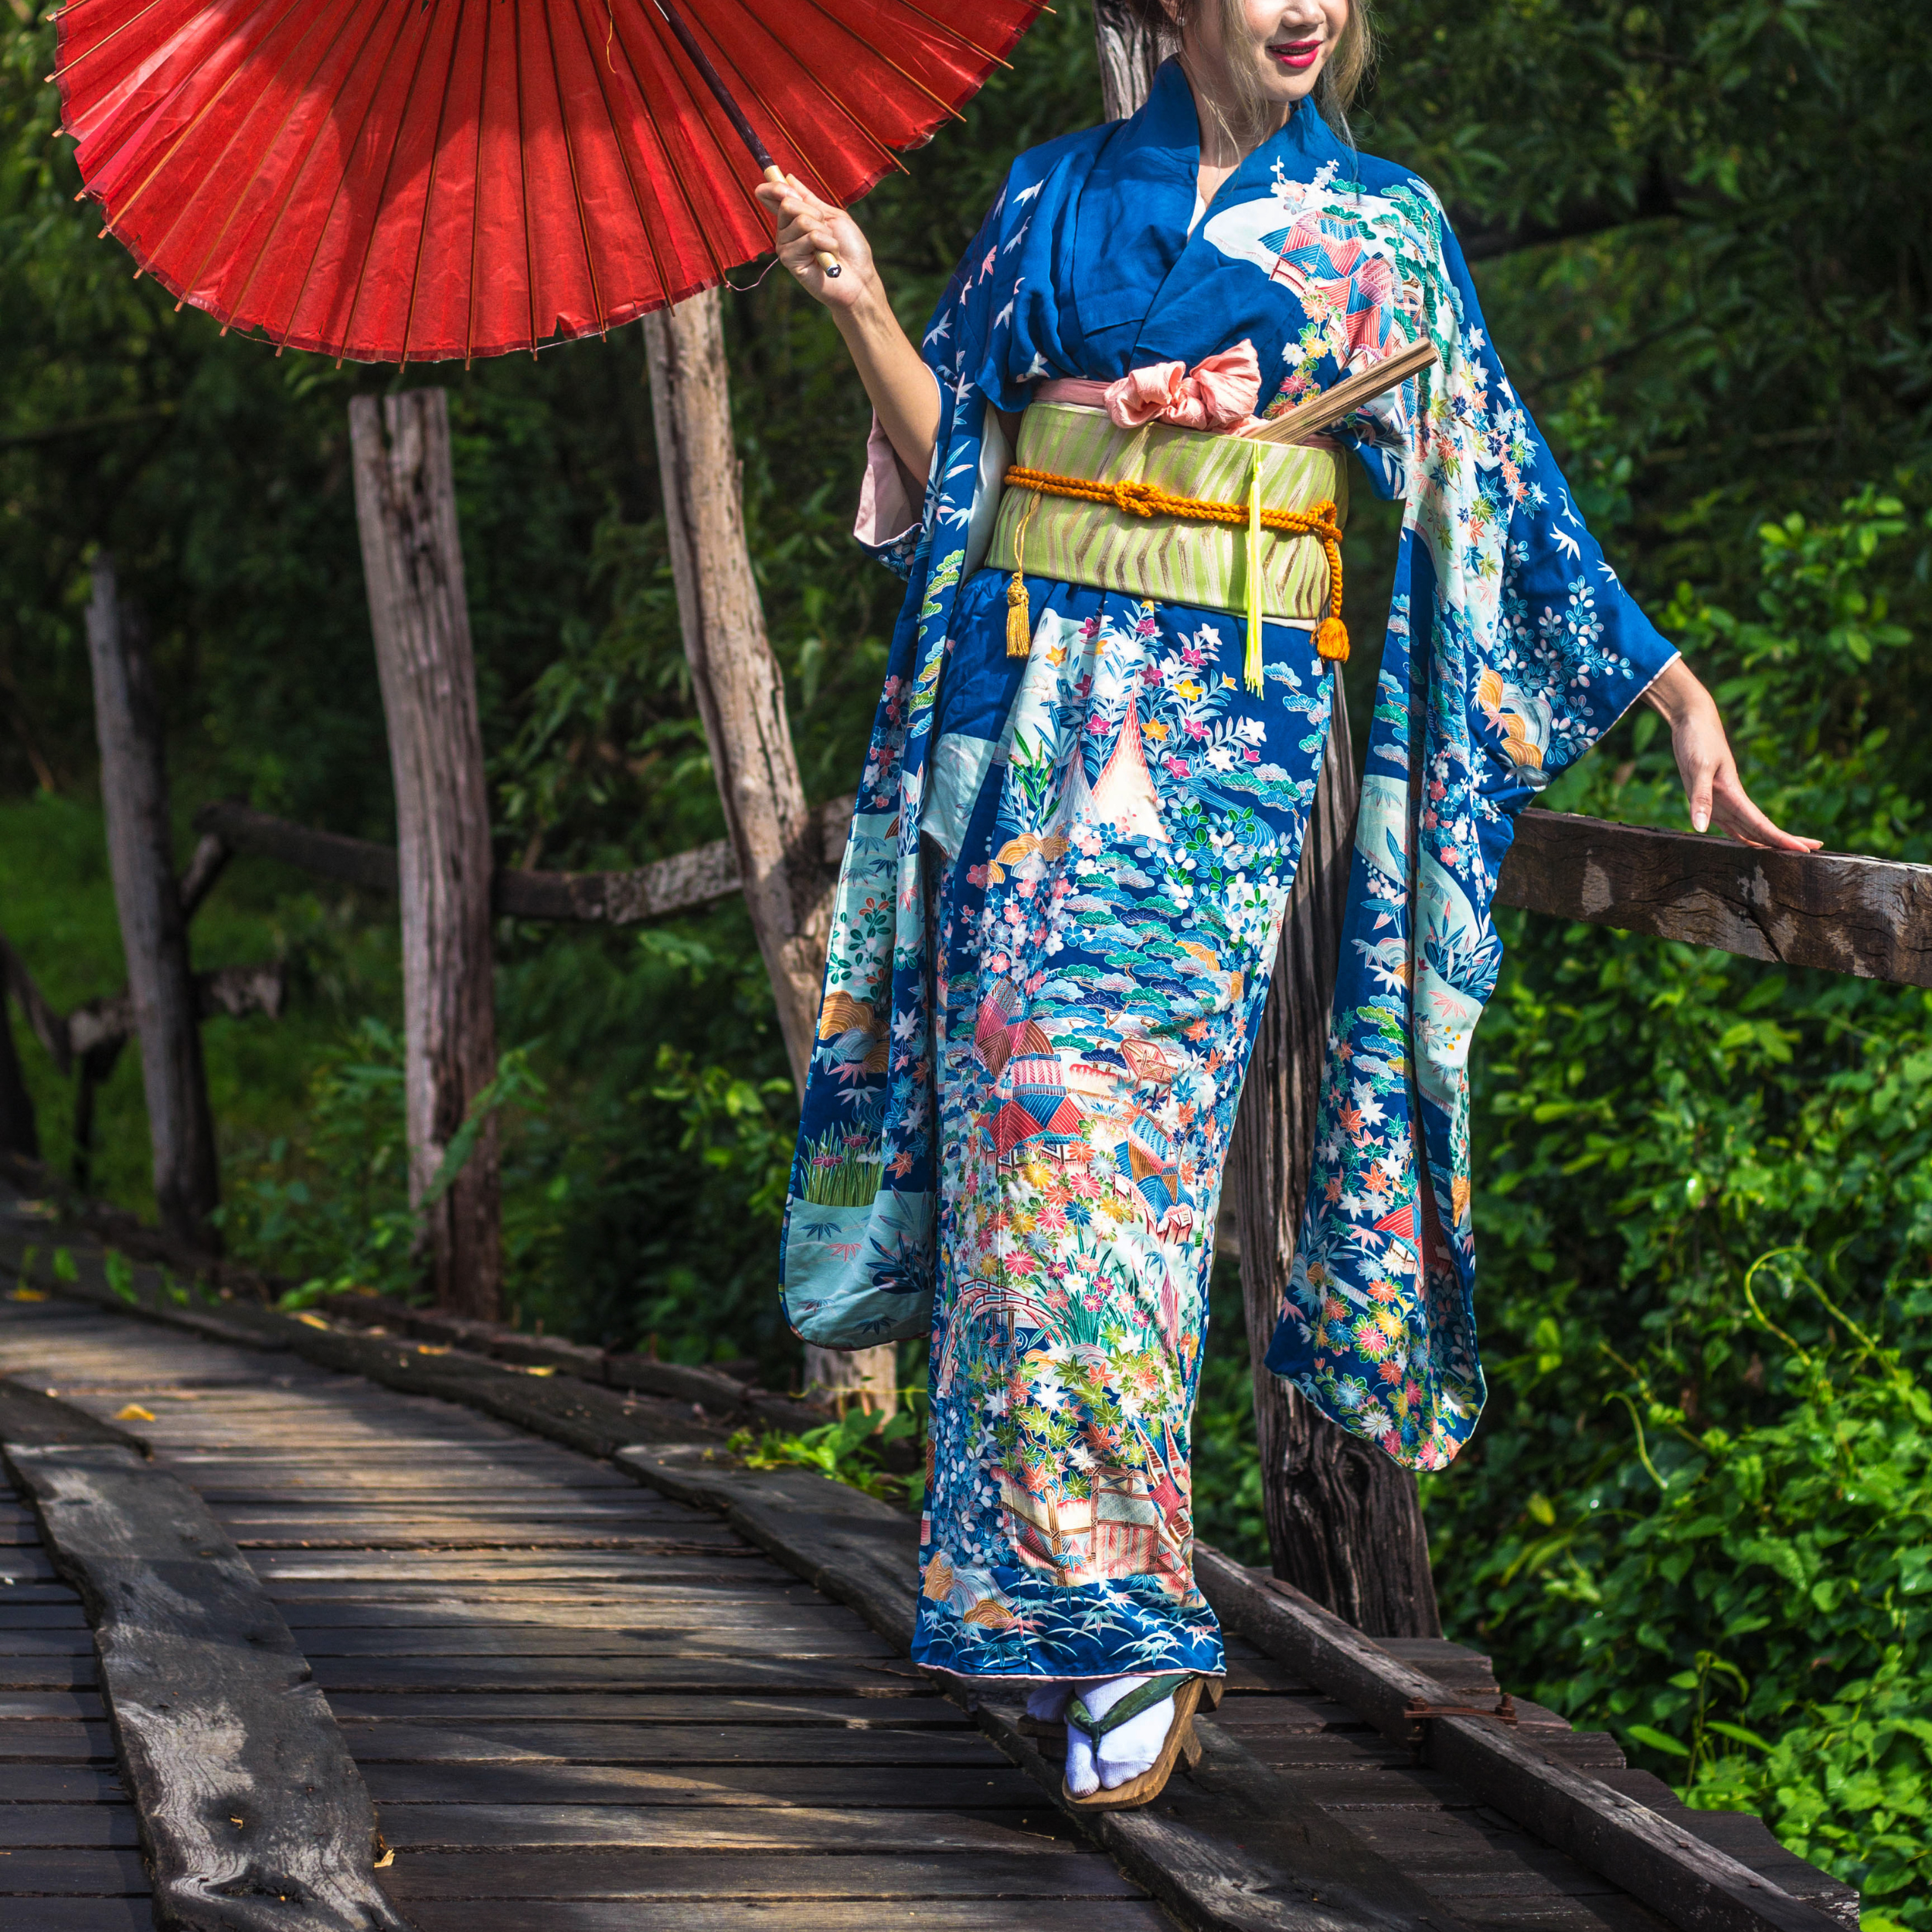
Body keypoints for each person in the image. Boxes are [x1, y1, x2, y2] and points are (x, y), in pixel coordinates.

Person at [757, 0, 1815, 1810]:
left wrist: (1670, 692)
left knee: (1115, 1149)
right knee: (1023, 1135)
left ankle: (1129, 1617)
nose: (1305, 5)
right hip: (1030, 720)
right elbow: (960, 474)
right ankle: (1082, 1615)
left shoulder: (1377, 231)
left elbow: (1500, 499)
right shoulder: (1046, 198)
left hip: (1217, 748)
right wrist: (860, 297)